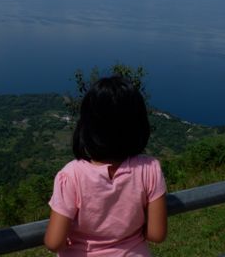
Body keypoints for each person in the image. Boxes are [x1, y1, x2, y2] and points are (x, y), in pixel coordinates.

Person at [44, 76, 167, 256]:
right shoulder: (150, 169)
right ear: (139, 124)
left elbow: (54, 242)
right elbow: (156, 234)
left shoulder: (71, 175)